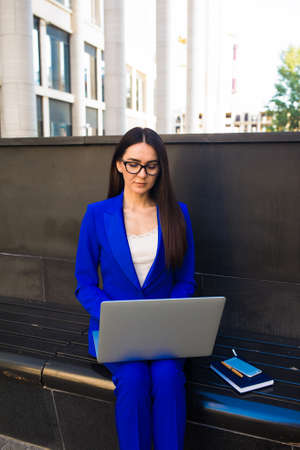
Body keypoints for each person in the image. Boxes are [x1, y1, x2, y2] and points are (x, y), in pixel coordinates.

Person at [75, 127, 196, 450]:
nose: (141, 173)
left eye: (151, 165)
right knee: (133, 379)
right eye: (133, 163)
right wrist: (114, 316)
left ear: (160, 169)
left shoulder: (177, 214)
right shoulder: (97, 215)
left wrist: (168, 311)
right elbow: (84, 284)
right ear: (118, 164)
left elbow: (185, 280)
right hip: (117, 331)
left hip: (165, 329)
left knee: (168, 379)